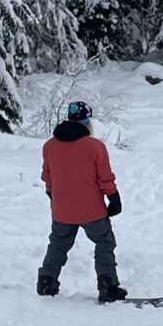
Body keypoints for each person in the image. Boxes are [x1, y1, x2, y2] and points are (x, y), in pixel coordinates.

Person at [37, 102, 126, 303]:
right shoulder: (95, 147)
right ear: (88, 121)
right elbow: (105, 177)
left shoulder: (49, 146)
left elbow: (47, 176)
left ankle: (46, 281)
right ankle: (107, 284)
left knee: (58, 243)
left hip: (62, 210)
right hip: (92, 210)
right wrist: (113, 198)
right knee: (104, 242)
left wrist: (54, 195)